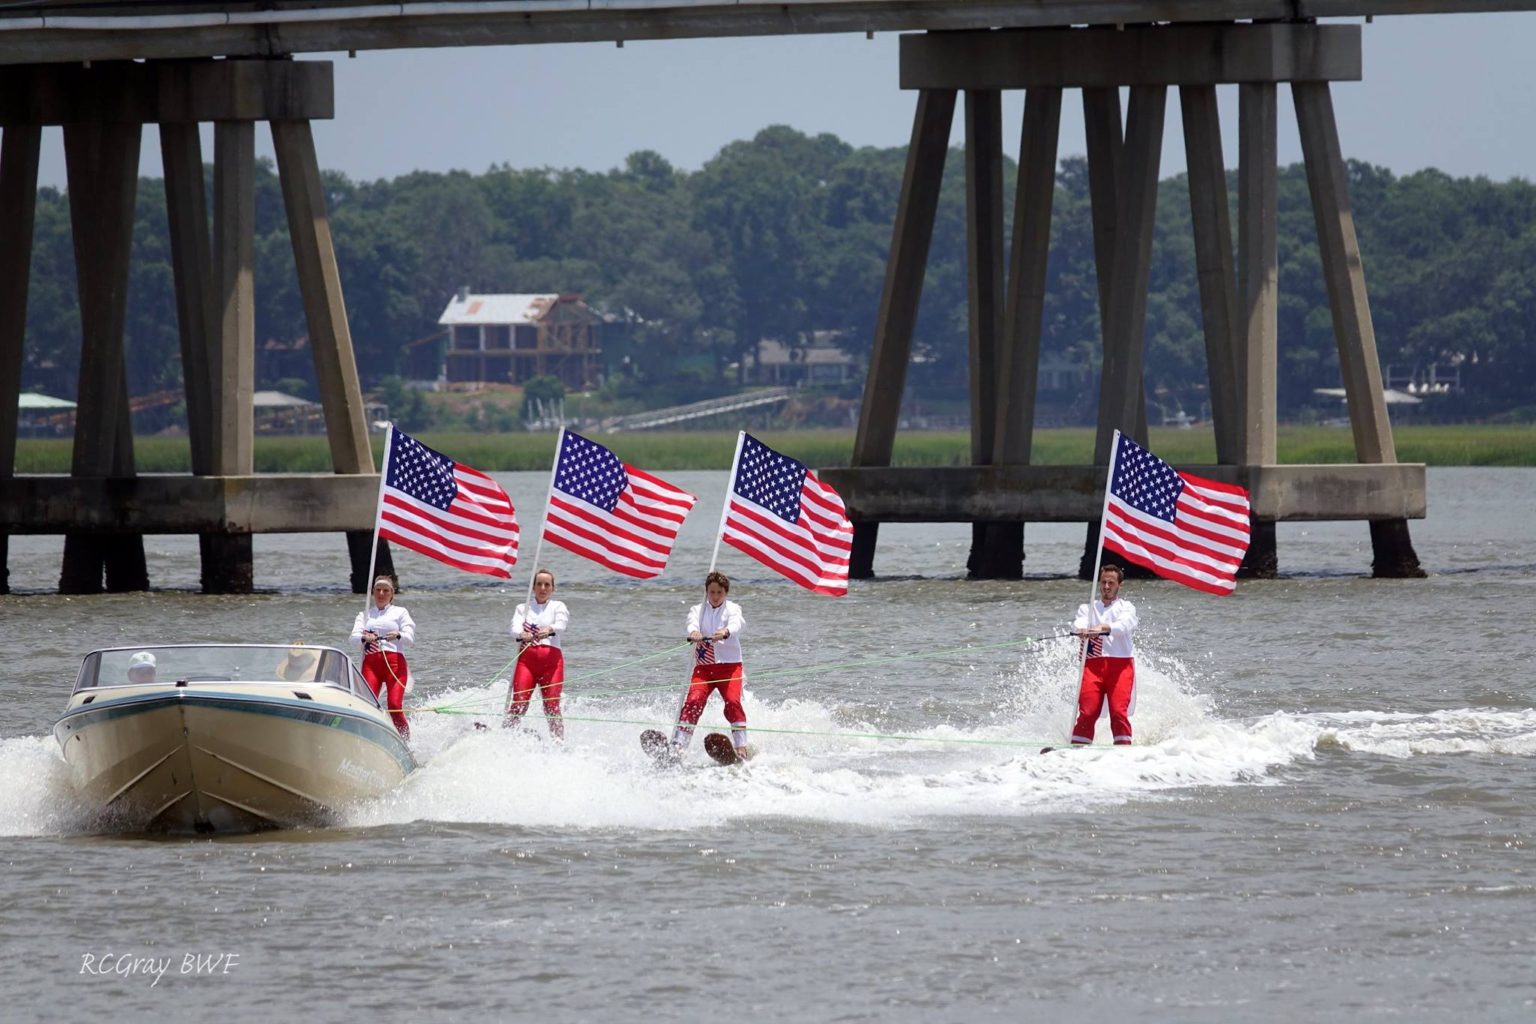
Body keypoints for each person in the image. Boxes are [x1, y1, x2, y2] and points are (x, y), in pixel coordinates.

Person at [670, 570, 751, 758]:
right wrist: (694, 632)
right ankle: (679, 745)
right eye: (712, 592)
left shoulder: (733, 609)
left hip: (730, 667)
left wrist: (726, 631)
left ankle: (741, 747)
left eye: (719, 593)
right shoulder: (697, 611)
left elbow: (738, 624)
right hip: (704, 668)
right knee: (693, 701)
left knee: (732, 702)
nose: (715, 597)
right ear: (707, 591)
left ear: (726, 593)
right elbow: (691, 624)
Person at [1070, 563, 1139, 746]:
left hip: (1120, 666)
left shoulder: (1127, 607)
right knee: (1087, 712)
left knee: (1118, 712)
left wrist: (1103, 627)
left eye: (1111, 583)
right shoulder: (1088, 607)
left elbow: (1124, 626)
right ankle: (1076, 750)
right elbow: (1078, 623)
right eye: (1103, 583)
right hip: (1093, 666)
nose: (1106, 587)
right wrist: (1082, 630)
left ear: (1119, 585)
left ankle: (1123, 751)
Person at [505, 568, 569, 739]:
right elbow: (513, 628)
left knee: (551, 706)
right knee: (519, 703)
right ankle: (506, 737)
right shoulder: (522, 608)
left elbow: (561, 625)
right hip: (526, 663)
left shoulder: (558, 606)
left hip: (552, 664)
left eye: (547, 585)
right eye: (539, 584)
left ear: (552, 588)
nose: (543, 588)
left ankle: (558, 744)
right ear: (533, 588)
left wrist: (550, 629)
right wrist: (521, 634)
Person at [350, 574, 415, 738]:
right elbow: (353, 639)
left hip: (395, 666)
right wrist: (364, 638)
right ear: (373, 592)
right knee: (368, 706)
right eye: (378, 590)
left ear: (392, 594)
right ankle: (372, 738)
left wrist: (398, 634)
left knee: (394, 705)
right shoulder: (365, 614)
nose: (381, 594)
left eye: (385, 590)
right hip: (371, 666)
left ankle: (407, 742)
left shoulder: (400, 612)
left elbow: (410, 638)